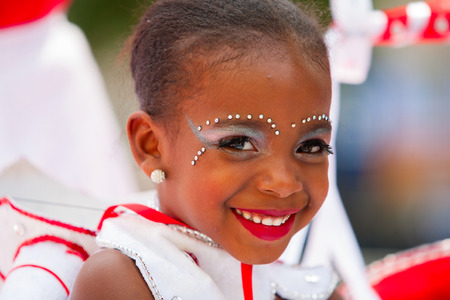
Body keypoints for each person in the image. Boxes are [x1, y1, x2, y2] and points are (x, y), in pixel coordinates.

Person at [71, 0, 341, 299]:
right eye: (238, 143)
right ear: (151, 146)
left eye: (310, 146)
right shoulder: (123, 280)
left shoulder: (309, 290)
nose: (283, 183)